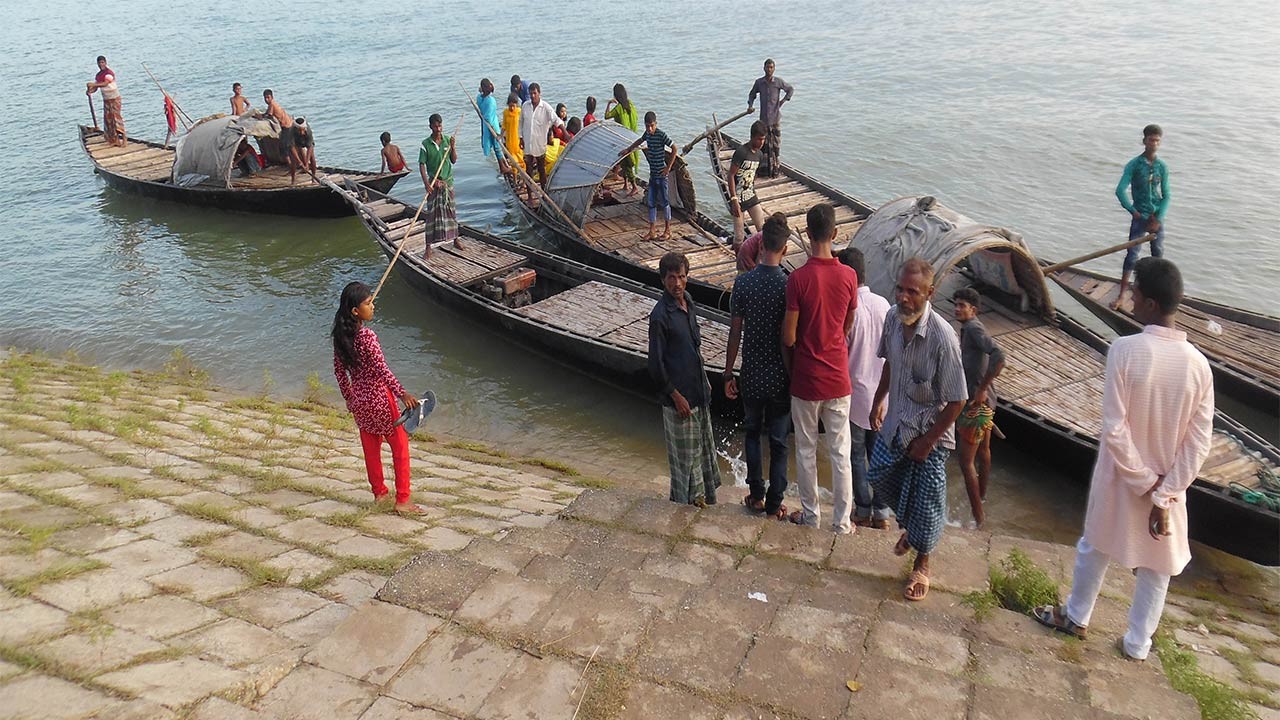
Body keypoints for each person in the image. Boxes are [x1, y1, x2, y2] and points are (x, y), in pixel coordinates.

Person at [1035, 258, 1213, 661]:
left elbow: (1114, 428)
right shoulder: (1199, 366)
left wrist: (1145, 481)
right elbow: (1198, 443)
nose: (1129, 299)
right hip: (1168, 482)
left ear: (1150, 304)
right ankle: (1137, 644)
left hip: (1122, 475)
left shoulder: (1125, 350)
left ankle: (1077, 617)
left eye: (1134, 293)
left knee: (1095, 545)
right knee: (1156, 565)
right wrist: (1165, 493)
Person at [868, 257, 968, 601]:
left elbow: (957, 400)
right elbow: (890, 364)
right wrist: (878, 399)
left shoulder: (943, 339)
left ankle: (922, 563)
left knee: (928, 502)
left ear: (930, 293)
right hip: (897, 421)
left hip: (931, 433)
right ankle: (914, 527)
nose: (904, 297)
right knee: (877, 475)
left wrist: (927, 442)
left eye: (912, 292)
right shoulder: (892, 319)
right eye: (900, 289)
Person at [782, 204, 858, 534]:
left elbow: (788, 337)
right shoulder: (849, 276)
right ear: (836, 233)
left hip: (807, 379)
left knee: (806, 450)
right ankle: (842, 522)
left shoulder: (798, 279)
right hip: (838, 377)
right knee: (841, 453)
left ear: (808, 233)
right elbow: (847, 324)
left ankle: (811, 516)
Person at [331, 281, 425, 515]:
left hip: (360, 400)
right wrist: (402, 393)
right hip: (380, 399)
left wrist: (349, 399)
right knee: (400, 447)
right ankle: (403, 500)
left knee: (371, 448)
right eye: (368, 303)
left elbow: (340, 373)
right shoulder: (367, 337)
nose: (373, 306)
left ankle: (380, 493)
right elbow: (382, 370)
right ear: (356, 311)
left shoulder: (341, 337)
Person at [725, 214, 792, 520]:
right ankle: (776, 503)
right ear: (785, 249)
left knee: (752, 432)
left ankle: (755, 495)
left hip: (751, 372)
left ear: (761, 244)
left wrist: (728, 372)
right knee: (778, 441)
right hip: (780, 375)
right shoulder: (788, 286)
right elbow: (790, 338)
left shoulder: (743, 283)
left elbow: (735, 331)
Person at [649, 252, 721, 507]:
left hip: (697, 391)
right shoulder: (660, 316)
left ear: (687, 278)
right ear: (663, 280)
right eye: (671, 278)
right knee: (684, 462)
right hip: (679, 400)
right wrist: (676, 396)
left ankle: (697, 501)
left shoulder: (688, 303)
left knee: (701, 452)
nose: (677, 283)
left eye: (681, 277)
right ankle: (685, 505)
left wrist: (704, 378)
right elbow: (655, 365)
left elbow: (694, 348)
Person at [839, 247, 892, 529]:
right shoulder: (884, 305)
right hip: (882, 395)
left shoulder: (849, 310)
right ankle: (882, 513)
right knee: (879, 456)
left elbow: (842, 353)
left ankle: (862, 509)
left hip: (856, 394)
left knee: (856, 455)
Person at [953, 287, 1006, 528]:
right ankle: (981, 499)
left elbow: (999, 355)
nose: (957, 309)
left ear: (973, 310)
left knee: (965, 462)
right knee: (984, 451)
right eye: (956, 304)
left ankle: (978, 519)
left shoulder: (974, 328)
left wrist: (982, 387)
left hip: (976, 405)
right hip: (987, 403)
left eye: (962, 305)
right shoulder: (968, 328)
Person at [1112, 124, 1170, 310]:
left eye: (1157, 141)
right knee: (1132, 255)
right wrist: (1133, 211)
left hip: (1156, 217)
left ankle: (1156, 296)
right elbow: (1120, 190)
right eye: (1151, 140)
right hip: (1140, 216)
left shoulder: (1162, 167)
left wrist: (1159, 218)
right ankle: (1121, 295)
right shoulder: (1134, 165)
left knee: (1158, 256)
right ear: (1144, 141)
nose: (1154, 144)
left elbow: (1167, 195)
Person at [619, 111, 677, 241]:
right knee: (651, 203)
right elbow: (640, 140)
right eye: (647, 126)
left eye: (652, 126)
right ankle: (652, 231)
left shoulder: (661, 135)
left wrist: (668, 168)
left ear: (656, 124)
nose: (649, 129)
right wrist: (628, 149)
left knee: (665, 202)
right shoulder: (647, 135)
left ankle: (668, 230)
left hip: (661, 175)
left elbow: (674, 148)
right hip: (653, 175)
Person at [418, 113, 461, 258]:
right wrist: (427, 183)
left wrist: (453, 147)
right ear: (430, 127)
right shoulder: (425, 144)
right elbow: (422, 165)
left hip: (447, 183)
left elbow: (453, 160)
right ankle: (428, 247)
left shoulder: (448, 140)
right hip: (434, 184)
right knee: (431, 215)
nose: (438, 129)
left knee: (451, 212)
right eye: (435, 126)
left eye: (440, 126)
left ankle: (455, 239)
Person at [747, 58, 793, 177]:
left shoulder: (778, 82)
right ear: (764, 68)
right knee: (763, 146)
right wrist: (750, 105)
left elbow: (790, 89)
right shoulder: (759, 83)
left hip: (775, 118)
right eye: (767, 67)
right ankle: (763, 170)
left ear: (774, 69)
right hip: (764, 120)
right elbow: (752, 94)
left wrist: (783, 101)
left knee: (775, 146)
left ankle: (775, 169)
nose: (769, 69)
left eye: (771, 67)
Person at [519, 83, 564, 200]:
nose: (533, 96)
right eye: (531, 94)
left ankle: (545, 195)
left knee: (541, 170)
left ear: (539, 93)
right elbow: (521, 122)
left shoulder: (546, 107)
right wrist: (520, 138)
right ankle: (530, 196)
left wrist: (566, 133)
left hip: (540, 144)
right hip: (528, 144)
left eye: (535, 93)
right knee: (529, 171)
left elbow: (556, 120)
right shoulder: (525, 106)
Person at [728, 121, 768, 250]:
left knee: (762, 229)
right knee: (739, 237)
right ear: (752, 137)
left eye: (763, 139)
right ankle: (739, 259)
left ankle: (761, 257)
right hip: (738, 199)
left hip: (751, 196)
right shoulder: (741, 152)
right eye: (759, 139)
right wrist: (734, 199)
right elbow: (731, 175)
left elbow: (754, 175)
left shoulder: (759, 155)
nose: (761, 142)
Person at [604, 84, 640, 196]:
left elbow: (606, 116)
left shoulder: (618, 108)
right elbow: (636, 118)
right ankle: (626, 184)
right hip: (632, 137)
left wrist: (609, 103)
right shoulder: (630, 104)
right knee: (624, 163)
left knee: (627, 164)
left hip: (623, 140)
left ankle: (634, 186)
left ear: (616, 95)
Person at [86, 55, 126, 147]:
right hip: (106, 99)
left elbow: (105, 83)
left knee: (116, 118)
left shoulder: (109, 73)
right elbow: (96, 87)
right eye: (99, 63)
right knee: (109, 120)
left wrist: (93, 85)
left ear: (105, 63)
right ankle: (114, 140)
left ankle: (124, 139)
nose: (101, 64)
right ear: (97, 64)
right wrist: (90, 91)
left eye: (102, 62)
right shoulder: (98, 75)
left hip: (114, 98)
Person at [477, 78, 507, 173]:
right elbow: (489, 117)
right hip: (491, 124)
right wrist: (494, 130)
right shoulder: (490, 101)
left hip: (486, 124)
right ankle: (502, 167)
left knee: (495, 145)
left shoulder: (479, 98)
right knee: (497, 145)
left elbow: (483, 113)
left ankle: (503, 165)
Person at [263, 89, 294, 165]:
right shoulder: (272, 104)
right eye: (265, 98)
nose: (266, 100)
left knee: (283, 146)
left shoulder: (272, 104)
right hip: (288, 124)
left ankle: (290, 164)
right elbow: (267, 113)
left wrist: (260, 116)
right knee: (287, 145)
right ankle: (292, 163)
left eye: (268, 97)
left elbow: (269, 116)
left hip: (286, 125)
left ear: (272, 97)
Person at [501, 93, 525, 175]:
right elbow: (504, 125)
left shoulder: (519, 112)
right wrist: (500, 136)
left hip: (518, 140)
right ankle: (515, 178)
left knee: (520, 160)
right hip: (510, 141)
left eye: (513, 106)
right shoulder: (505, 112)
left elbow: (523, 125)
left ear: (516, 105)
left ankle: (523, 178)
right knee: (513, 161)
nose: (512, 108)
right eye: (510, 106)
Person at [289, 117, 316, 184]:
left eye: (302, 130)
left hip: (306, 141)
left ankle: (313, 178)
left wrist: (306, 163)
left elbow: (310, 147)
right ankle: (293, 180)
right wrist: (300, 162)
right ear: (296, 128)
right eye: (299, 130)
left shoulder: (308, 132)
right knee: (293, 160)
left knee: (312, 158)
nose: (301, 132)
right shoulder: (291, 131)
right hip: (296, 142)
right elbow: (292, 148)